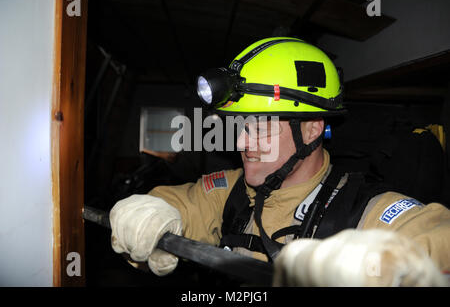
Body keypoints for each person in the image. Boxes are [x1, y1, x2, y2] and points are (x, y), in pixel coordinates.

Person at [109, 37, 450, 286]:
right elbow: (181, 201)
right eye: (240, 126)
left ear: (313, 129)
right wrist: (149, 212)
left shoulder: (366, 208)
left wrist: (385, 263)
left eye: (261, 127)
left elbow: (434, 236)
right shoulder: (233, 189)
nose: (242, 142)